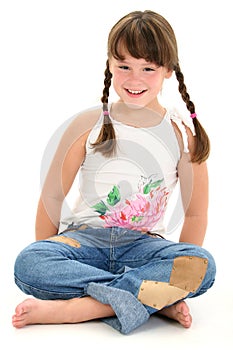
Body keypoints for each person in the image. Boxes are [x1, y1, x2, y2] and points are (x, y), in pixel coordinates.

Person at [12, 10, 216, 334]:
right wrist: (55, 256)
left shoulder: (181, 134)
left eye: (147, 68)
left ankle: (80, 309)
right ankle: (151, 298)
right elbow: (52, 195)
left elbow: (194, 216)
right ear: (109, 64)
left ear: (167, 70)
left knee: (201, 264)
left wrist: (178, 271)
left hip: (142, 249)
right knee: (29, 263)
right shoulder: (87, 125)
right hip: (84, 244)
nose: (134, 79)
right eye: (124, 66)